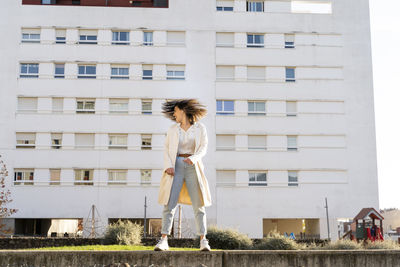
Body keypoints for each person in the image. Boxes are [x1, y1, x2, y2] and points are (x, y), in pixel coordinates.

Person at [154, 99, 212, 251]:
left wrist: (193, 159)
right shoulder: (173, 129)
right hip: (176, 165)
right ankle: (164, 240)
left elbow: (203, 148)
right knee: (169, 203)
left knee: (199, 204)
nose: (174, 114)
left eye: (175, 111)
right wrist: (168, 165)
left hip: (193, 165)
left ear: (183, 110)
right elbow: (166, 148)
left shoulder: (200, 128)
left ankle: (203, 240)